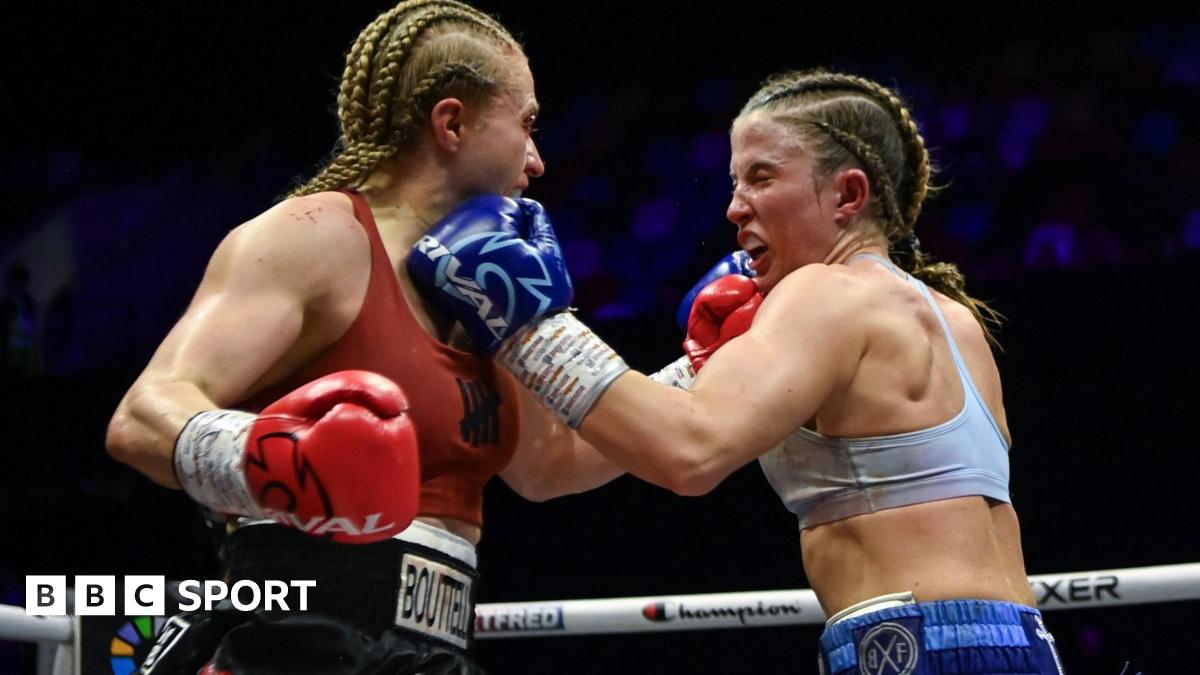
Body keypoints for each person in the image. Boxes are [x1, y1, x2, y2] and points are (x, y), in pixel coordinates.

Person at [410, 68, 1066, 674]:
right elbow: (553, 467)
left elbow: (690, 451)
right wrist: (506, 337)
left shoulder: (823, 297)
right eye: (733, 182)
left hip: (911, 646)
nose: (734, 206)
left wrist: (532, 321)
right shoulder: (949, 317)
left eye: (760, 177)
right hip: (1016, 643)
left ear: (848, 193)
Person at [105, 2, 626, 673]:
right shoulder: (318, 236)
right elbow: (142, 414)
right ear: (453, 122)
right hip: (296, 633)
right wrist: (277, 462)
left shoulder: (481, 283)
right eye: (526, 125)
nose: (538, 161)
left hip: (428, 645)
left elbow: (549, 464)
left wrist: (710, 368)